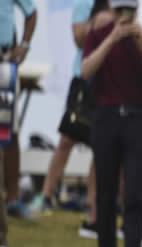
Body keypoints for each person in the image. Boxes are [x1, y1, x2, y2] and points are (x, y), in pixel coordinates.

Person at [81, 0, 142, 247]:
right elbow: (85, 71)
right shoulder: (97, 36)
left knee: (134, 194)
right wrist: (111, 39)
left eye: (129, 11)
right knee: (105, 194)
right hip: (106, 117)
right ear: (112, 11)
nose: (124, 17)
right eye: (120, 11)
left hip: (138, 118)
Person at [30, 0, 110, 226]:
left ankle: (92, 205)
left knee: (101, 146)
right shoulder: (86, 3)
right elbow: (78, 39)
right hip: (83, 80)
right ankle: (46, 195)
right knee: (67, 138)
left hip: (109, 83)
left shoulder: (120, 4)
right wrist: (99, 22)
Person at [0, 0, 35, 219]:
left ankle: (13, 199)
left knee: (9, 131)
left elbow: (31, 12)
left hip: (4, 62)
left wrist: (24, 45)